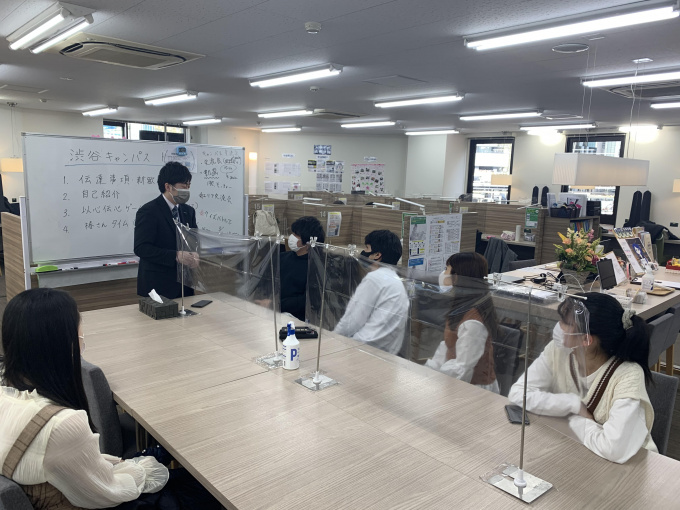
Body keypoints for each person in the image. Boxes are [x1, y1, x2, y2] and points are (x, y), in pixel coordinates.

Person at [0, 288, 223, 509]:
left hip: (73, 481)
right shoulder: (62, 424)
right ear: (66, 344)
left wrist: (140, 461)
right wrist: (143, 467)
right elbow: (108, 492)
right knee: (211, 486)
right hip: (98, 500)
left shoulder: (8, 395)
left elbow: (76, 464)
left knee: (163, 454)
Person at [508, 293, 657, 464]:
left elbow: (613, 448)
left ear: (586, 339)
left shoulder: (628, 375)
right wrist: (571, 405)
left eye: (565, 322)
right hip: (577, 454)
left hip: (631, 467)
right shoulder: (558, 350)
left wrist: (572, 418)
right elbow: (518, 393)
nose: (558, 326)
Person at [425, 252, 499, 393]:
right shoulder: (463, 308)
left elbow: (463, 368)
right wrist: (431, 370)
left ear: (458, 277)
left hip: (473, 390)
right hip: (454, 380)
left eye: (446, 269)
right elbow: (448, 346)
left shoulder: (473, 323)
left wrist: (433, 378)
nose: (443, 274)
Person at [334, 230, 409, 355]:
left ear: (377, 255)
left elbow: (351, 322)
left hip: (363, 349)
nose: (363, 252)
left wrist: (332, 339)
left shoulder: (375, 279)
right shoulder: (395, 280)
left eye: (367, 248)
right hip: (387, 352)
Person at [134, 162, 199, 299]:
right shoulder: (148, 211)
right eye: (183, 186)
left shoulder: (188, 211)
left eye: (188, 186)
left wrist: (195, 253)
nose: (187, 190)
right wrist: (175, 255)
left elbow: (194, 239)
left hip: (185, 285)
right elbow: (141, 248)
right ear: (168, 187)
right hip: (158, 285)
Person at [281, 216, 325, 321]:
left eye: (296, 235)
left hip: (295, 318)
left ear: (308, 242)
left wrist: (277, 304)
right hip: (271, 310)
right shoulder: (281, 257)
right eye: (293, 233)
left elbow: (308, 300)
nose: (292, 237)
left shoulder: (315, 267)